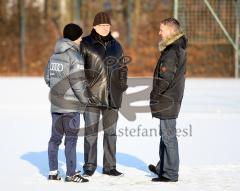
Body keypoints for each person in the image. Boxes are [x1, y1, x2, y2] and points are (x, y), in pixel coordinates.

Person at [80, 12, 128, 177]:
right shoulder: (85, 43)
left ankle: (109, 167)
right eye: (101, 25)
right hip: (91, 96)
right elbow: (78, 69)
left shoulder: (116, 45)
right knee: (91, 133)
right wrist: (84, 89)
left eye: (107, 25)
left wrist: (121, 86)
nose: (105, 28)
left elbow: (122, 68)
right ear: (94, 26)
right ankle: (89, 165)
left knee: (111, 133)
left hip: (112, 96)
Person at [44, 23, 92, 183]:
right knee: (71, 139)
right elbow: (78, 83)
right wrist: (85, 99)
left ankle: (52, 172)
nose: (81, 39)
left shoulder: (54, 55)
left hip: (56, 105)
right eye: (79, 36)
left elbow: (47, 77)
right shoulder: (75, 57)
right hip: (71, 107)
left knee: (55, 139)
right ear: (74, 38)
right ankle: (71, 174)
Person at [149, 18, 188, 182]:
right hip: (169, 99)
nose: (159, 33)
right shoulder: (175, 47)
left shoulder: (172, 50)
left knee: (168, 137)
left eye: (162, 30)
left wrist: (154, 95)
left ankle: (170, 174)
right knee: (165, 135)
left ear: (171, 31)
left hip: (168, 99)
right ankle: (163, 168)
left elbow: (165, 78)